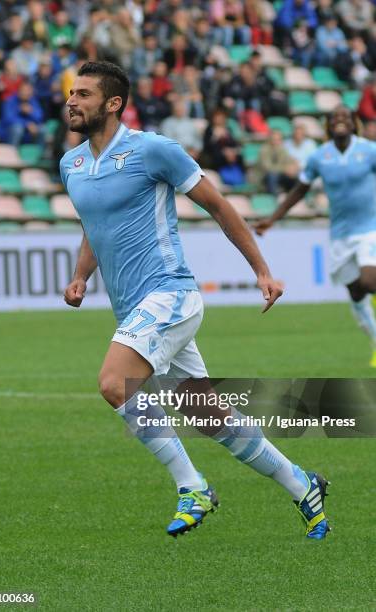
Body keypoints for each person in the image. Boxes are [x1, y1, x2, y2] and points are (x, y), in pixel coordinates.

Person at [60, 60, 330, 540]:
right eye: (72, 93)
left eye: (83, 93)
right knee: (208, 415)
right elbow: (93, 227)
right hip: (134, 308)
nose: (71, 100)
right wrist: (81, 276)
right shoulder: (72, 164)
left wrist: (262, 270)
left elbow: (219, 206)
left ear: (113, 103)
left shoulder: (155, 150)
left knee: (113, 383)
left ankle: (193, 486)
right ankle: (302, 483)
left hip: (170, 293)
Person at [255, 106, 376, 368]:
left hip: (370, 229)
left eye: (345, 116)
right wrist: (273, 219)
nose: (340, 120)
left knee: (368, 280)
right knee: (356, 293)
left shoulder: (369, 150)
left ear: (353, 123)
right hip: (340, 236)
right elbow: (299, 190)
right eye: (335, 118)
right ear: (328, 125)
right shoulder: (319, 157)